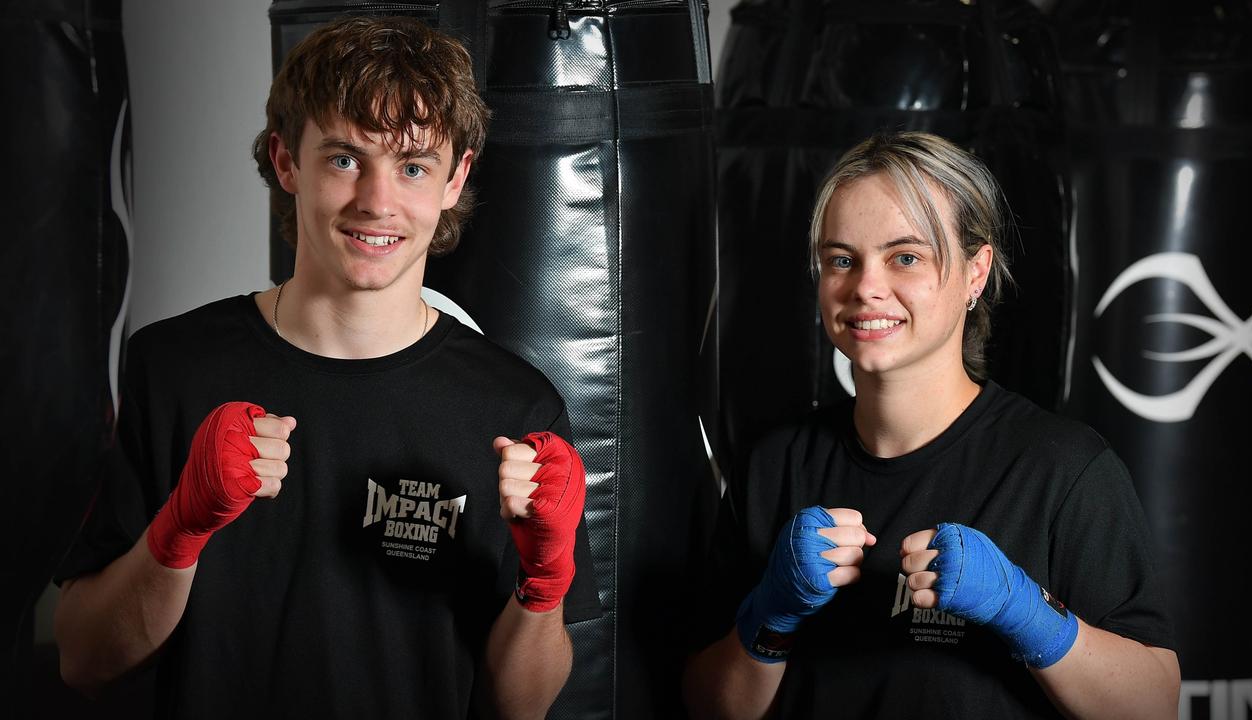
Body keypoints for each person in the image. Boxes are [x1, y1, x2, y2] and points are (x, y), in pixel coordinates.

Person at [52, 16, 598, 719]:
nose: (377, 201)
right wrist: (178, 531)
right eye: (344, 158)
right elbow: (83, 662)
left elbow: (518, 708)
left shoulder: (515, 409)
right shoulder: (172, 367)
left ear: (456, 177)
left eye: (412, 166)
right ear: (286, 161)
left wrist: (546, 582)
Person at [683, 132, 1179, 718]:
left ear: (976, 273)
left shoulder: (1062, 468)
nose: (866, 287)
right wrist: (770, 616)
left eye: (906, 257)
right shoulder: (772, 468)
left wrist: (1027, 613)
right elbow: (705, 707)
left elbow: (1153, 705)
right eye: (841, 259)